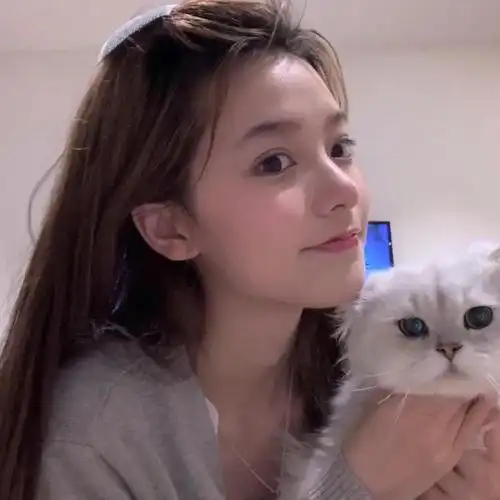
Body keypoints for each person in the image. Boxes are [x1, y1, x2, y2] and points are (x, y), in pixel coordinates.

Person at [0, 1, 499, 499]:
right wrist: (355, 487)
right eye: (274, 162)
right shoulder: (93, 435)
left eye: (339, 149)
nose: (344, 190)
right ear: (170, 228)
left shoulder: (374, 365)